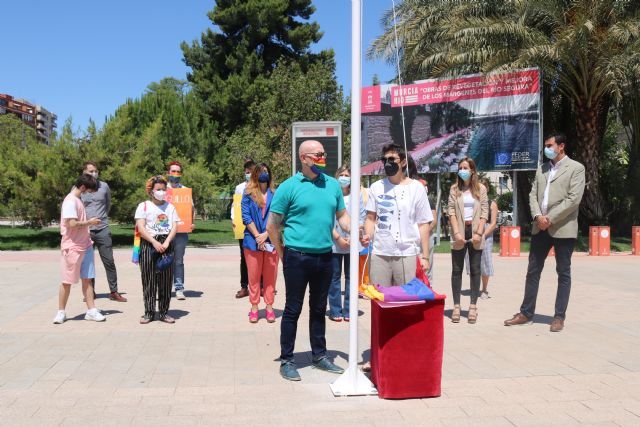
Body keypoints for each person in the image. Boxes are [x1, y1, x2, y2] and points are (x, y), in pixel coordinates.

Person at [267, 140, 349, 381]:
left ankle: (319, 356)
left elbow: (342, 216)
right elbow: (273, 224)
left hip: (325, 256)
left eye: (324, 154)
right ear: (304, 158)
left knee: (318, 308)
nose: (322, 157)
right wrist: (282, 252)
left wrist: (354, 231)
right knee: (293, 309)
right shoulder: (289, 187)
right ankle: (287, 360)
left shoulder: (332, 185)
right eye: (318, 154)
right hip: (297, 257)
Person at [504, 133, 585, 332]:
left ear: (561, 146)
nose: (546, 149)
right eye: (546, 146)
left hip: (563, 228)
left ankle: (559, 317)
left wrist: (550, 218)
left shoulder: (576, 168)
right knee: (533, 271)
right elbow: (533, 195)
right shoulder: (542, 168)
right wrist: (538, 217)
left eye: (550, 145)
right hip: (539, 226)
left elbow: (573, 199)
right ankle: (526, 313)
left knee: (563, 273)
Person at [361, 144, 433, 288]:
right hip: (380, 253)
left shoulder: (417, 188)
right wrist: (367, 235)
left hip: (407, 254)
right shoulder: (376, 187)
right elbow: (370, 218)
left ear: (403, 162)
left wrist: (425, 256)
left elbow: (424, 224)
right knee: (380, 300)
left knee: (406, 302)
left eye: (392, 159)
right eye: (384, 159)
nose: (388, 163)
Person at [53, 174, 106, 324]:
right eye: (88, 190)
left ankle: (91, 310)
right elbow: (72, 224)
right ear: (83, 187)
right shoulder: (70, 201)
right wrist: (90, 222)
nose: (88, 194)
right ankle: (61, 312)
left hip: (86, 245)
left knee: (87, 280)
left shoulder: (77, 199)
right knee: (66, 281)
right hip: (73, 247)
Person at [134, 176, 181, 324]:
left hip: (166, 245)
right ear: (151, 191)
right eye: (158, 189)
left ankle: (163, 312)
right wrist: (153, 242)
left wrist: (167, 242)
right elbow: (140, 227)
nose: (161, 192)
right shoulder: (144, 206)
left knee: (166, 280)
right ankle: (149, 312)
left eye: (163, 189)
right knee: (148, 279)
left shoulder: (170, 207)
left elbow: (174, 226)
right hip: (149, 243)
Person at [447, 157, 488, 324]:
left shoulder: (481, 189)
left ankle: (473, 306)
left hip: (476, 230)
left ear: (472, 170)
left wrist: (479, 232)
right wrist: (456, 233)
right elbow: (450, 211)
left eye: (465, 167)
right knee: (457, 270)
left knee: (475, 269)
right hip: (459, 231)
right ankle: (456, 306)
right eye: (460, 167)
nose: (462, 170)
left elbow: (485, 211)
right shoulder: (454, 189)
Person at [81, 161, 127, 302]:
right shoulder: (79, 188)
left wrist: (101, 217)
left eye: (95, 171)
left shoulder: (104, 186)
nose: (94, 173)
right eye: (91, 171)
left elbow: (108, 204)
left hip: (102, 229)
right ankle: (91, 293)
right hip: (86, 231)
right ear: (84, 173)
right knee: (88, 263)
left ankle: (113, 292)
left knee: (109, 261)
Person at [241, 163, 278, 323]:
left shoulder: (275, 194)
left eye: (266, 171)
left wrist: (266, 234)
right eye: (261, 171)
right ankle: (254, 307)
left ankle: (269, 307)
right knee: (254, 277)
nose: (264, 174)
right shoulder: (248, 194)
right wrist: (258, 236)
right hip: (252, 241)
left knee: (271, 276)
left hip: (271, 240)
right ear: (256, 174)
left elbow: (279, 216)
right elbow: (246, 217)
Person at [328, 165, 366, 322]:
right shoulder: (331, 194)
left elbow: (362, 218)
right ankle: (335, 310)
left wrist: (353, 235)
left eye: (347, 175)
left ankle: (349, 310)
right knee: (334, 278)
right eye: (341, 174)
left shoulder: (356, 196)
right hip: (334, 243)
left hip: (352, 243)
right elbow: (327, 219)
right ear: (337, 177)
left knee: (351, 278)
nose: (344, 177)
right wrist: (337, 237)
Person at [166, 161, 195, 301]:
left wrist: (192, 222)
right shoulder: (162, 189)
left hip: (181, 232)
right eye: (173, 171)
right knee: (163, 260)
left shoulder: (185, 190)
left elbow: (191, 209)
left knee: (178, 260)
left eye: (178, 172)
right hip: (164, 232)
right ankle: (164, 288)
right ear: (168, 173)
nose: (175, 174)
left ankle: (179, 288)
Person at [407, 155, 438, 283]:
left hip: (424, 235)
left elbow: (433, 219)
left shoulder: (419, 186)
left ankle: (427, 292)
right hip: (408, 238)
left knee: (426, 270)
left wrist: (423, 231)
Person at [232, 159, 256, 298]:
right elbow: (235, 205)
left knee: (260, 255)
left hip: (257, 225)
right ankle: (244, 286)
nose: (248, 174)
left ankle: (261, 285)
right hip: (242, 225)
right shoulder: (240, 187)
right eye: (246, 172)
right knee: (244, 257)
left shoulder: (260, 186)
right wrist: (233, 218)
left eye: (251, 172)